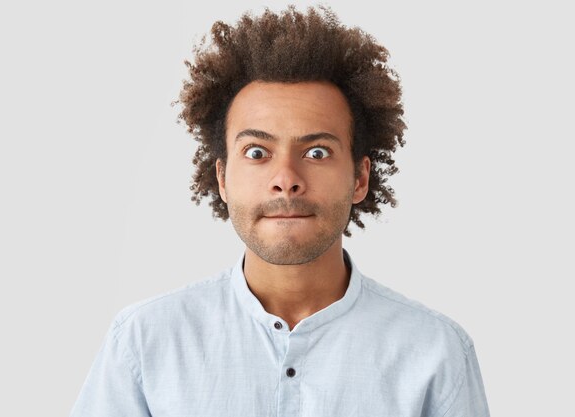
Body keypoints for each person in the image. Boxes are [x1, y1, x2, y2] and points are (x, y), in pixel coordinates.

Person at [70, 5, 490, 417]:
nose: (286, 177)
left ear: (360, 178)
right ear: (222, 178)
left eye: (317, 151)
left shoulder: (435, 352)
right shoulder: (144, 342)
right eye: (257, 152)